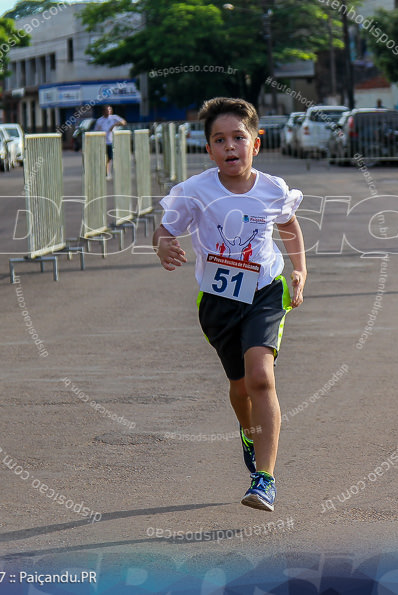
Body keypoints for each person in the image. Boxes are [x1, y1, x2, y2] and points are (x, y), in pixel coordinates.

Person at [153, 97, 306, 512]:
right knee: (240, 387)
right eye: (220, 140)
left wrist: (299, 269)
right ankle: (247, 429)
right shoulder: (196, 190)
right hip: (218, 300)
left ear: (256, 143)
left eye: (239, 137)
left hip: (265, 290)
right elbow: (165, 230)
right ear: (209, 149)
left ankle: (265, 478)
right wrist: (164, 246)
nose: (230, 146)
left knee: (260, 378)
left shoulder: (272, 189)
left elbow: (289, 226)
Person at [92, 105, 127, 179]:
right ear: (103, 111)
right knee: (103, 157)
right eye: (107, 110)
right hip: (102, 142)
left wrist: (114, 125)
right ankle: (104, 172)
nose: (109, 111)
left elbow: (124, 122)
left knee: (109, 158)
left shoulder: (114, 118)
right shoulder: (100, 120)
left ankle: (108, 172)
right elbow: (96, 131)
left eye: (110, 110)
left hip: (111, 141)